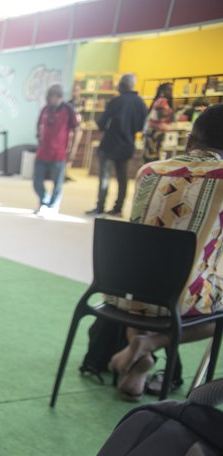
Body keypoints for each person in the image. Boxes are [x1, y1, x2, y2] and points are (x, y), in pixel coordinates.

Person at [104, 104, 223, 401]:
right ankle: (151, 343)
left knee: (144, 277)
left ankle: (139, 367)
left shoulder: (149, 171)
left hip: (125, 289)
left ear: (189, 140)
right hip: (181, 298)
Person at [86, 74, 147, 217]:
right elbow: (141, 126)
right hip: (127, 145)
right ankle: (118, 208)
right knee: (123, 178)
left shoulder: (116, 101)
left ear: (122, 85)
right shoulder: (140, 103)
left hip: (109, 144)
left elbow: (102, 123)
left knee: (105, 177)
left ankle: (100, 207)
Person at [32, 85, 77, 217]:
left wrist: (72, 151)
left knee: (57, 183)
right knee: (36, 181)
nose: (47, 98)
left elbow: (76, 130)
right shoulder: (45, 110)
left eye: (50, 96)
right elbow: (39, 125)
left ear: (58, 97)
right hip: (42, 152)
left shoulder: (68, 110)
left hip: (59, 153)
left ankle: (52, 205)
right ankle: (43, 201)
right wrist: (39, 138)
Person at [142, 82, 173, 164]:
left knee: (152, 156)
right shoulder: (162, 101)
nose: (171, 92)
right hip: (155, 133)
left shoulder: (160, 101)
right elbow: (161, 115)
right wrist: (171, 113)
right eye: (169, 90)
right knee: (153, 157)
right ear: (162, 91)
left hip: (155, 132)